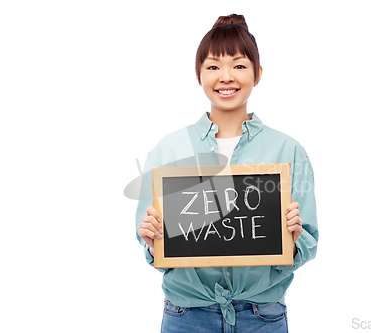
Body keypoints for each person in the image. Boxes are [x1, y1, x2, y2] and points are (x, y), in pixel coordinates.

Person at [136, 14, 318, 333]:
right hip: (186, 316)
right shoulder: (168, 150)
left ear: (257, 73)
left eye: (238, 65)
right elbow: (154, 249)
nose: (226, 77)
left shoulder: (288, 151)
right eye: (213, 66)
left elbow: (308, 242)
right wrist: (152, 239)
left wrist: (292, 236)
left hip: (263, 317)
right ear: (199, 74)